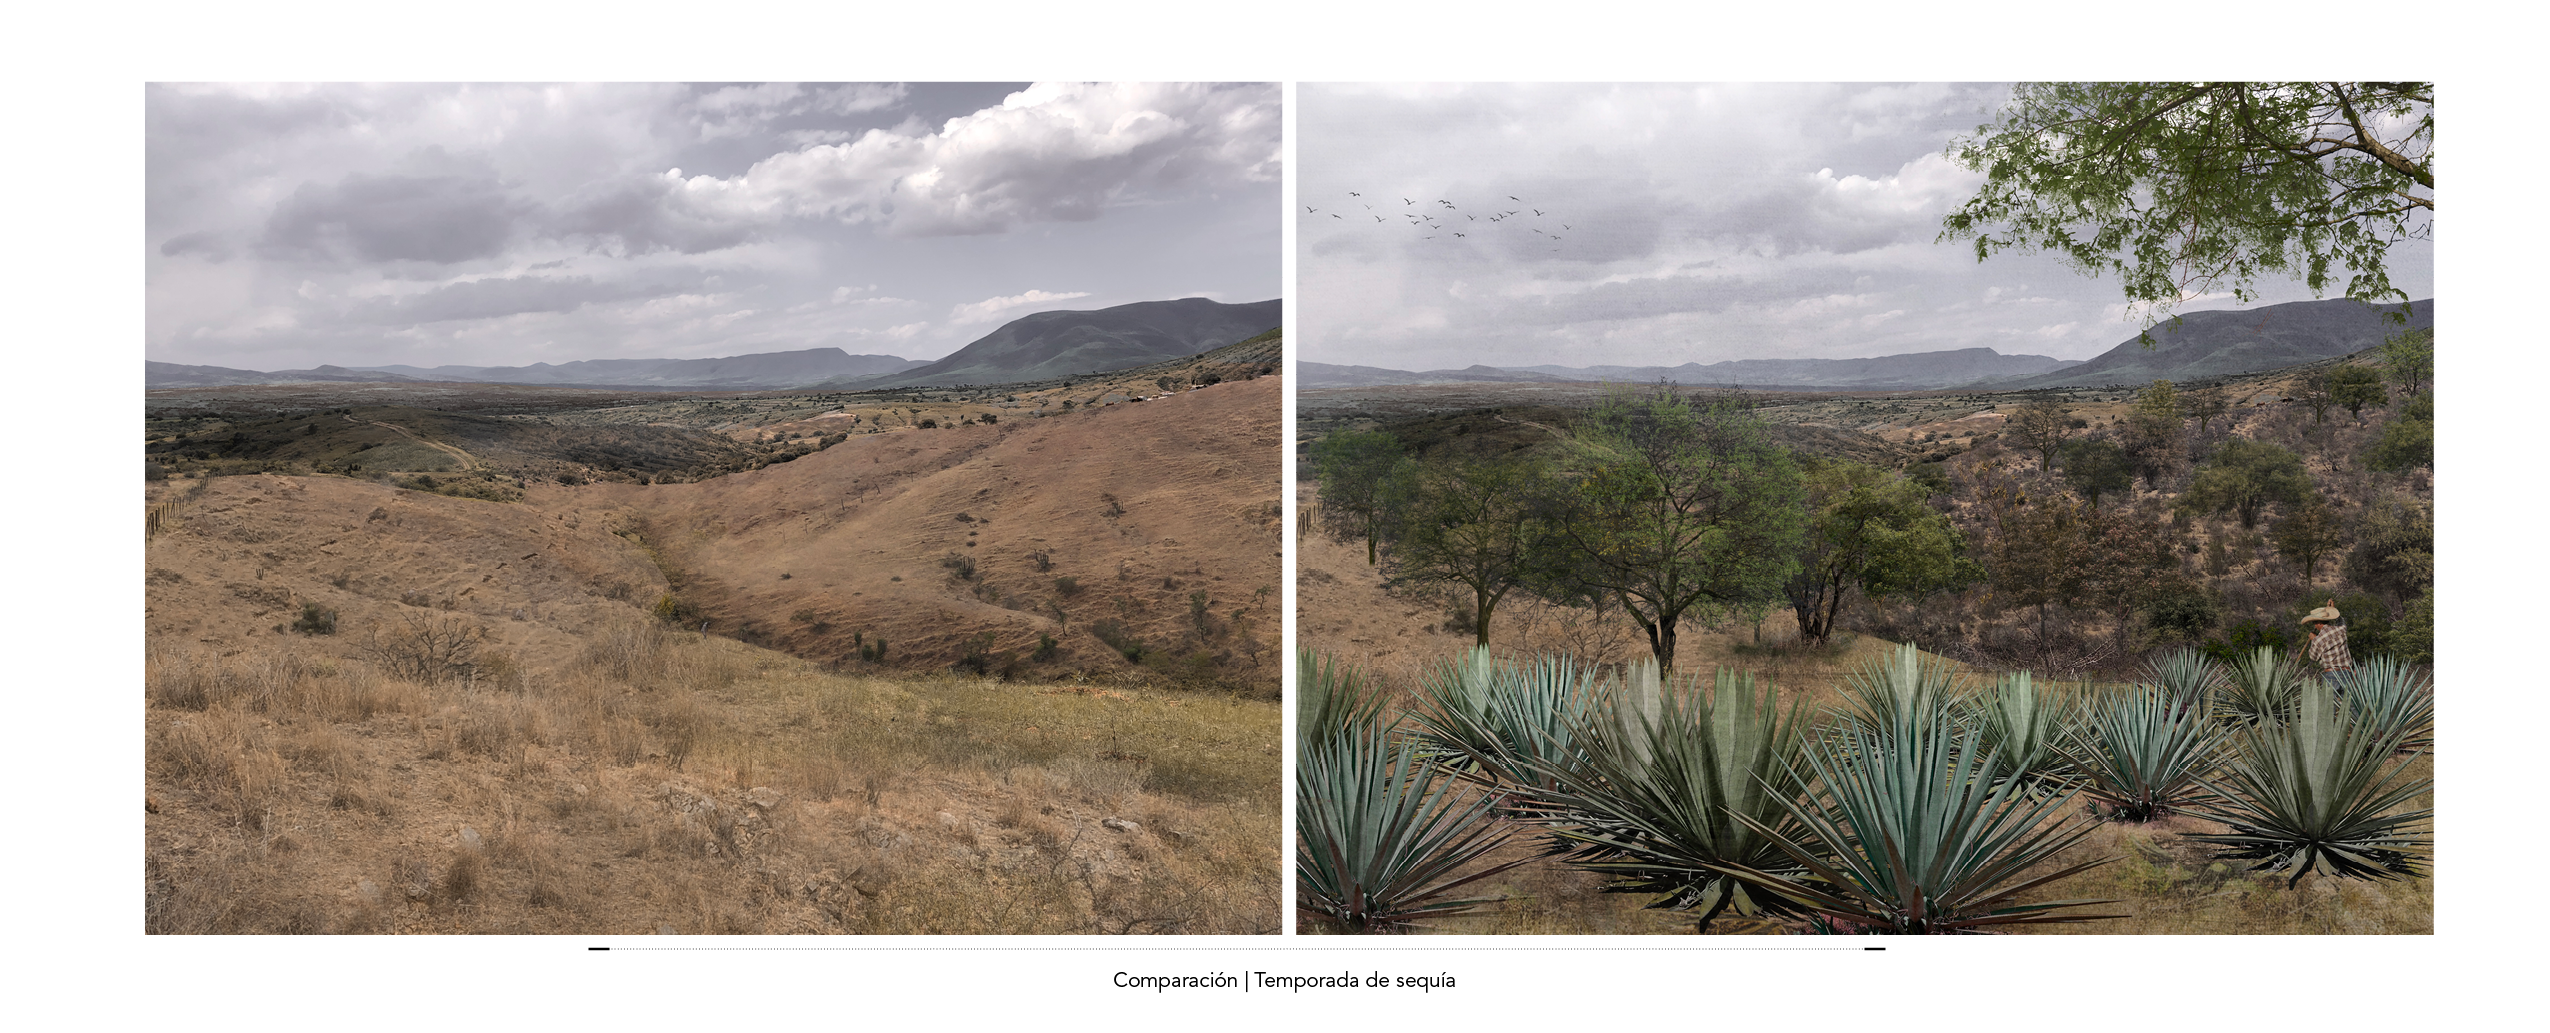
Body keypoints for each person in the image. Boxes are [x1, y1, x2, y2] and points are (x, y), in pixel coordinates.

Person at [2302, 600, 2353, 698]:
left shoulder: (2318, 640)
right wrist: (2333, 609)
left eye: (2314, 623)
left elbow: (2313, 657)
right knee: (2350, 704)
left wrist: (2313, 639)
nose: (2314, 626)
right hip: (2347, 673)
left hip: (2331, 674)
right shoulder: (2341, 630)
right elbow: (2341, 622)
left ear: (2318, 623)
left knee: (2328, 707)